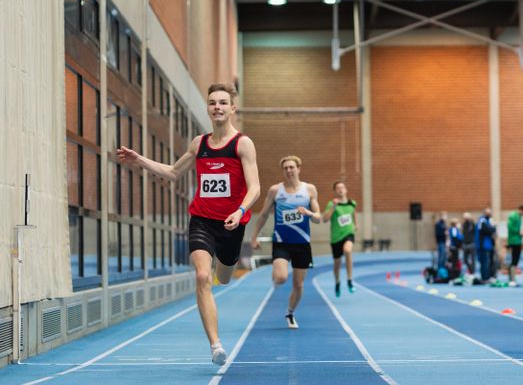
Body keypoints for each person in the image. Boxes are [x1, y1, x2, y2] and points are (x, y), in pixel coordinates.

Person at [117, 83, 260, 366]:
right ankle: (216, 345)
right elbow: (172, 172)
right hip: (202, 221)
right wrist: (139, 160)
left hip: (232, 224)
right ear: (207, 109)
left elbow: (255, 187)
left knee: (225, 275)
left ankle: (224, 266)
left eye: (222, 102)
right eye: (212, 103)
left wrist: (240, 210)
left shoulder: (242, 144)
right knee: (202, 277)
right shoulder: (199, 144)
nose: (217, 107)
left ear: (232, 108)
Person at [251, 156, 321, 329]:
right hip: (282, 242)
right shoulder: (276, 190)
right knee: (281, 278)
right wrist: (254, 236)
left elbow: (318, 218)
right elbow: (264, 214)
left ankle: (290, 312)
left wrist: (309, 213)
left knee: (298, 284)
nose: (289, 170)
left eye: (292, 167)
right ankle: (277, 271)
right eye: (285, 168)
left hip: (302, 243)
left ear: (299, 168)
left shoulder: (309, 190)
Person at [323, 181, 357, 297]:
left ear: (346, 190)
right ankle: (337, 282)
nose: (340, 190)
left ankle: (349, 280)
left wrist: (355, 225)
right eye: (338, 188)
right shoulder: (331, 204)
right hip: (336, 237)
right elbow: (325, 219)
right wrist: (333, 206)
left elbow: (353, 214)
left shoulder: (352, 203)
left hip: (348, 233)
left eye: (342, 187)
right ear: (335, 191)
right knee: (337, 264)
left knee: (347, 250)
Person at [506, 205, 523, 282]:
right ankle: (512, 279)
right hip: (513, 241)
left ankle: (512, 278)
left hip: (518, 240)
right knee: (514, 259)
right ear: (521, 210)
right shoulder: (513, 216)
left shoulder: (519, 217)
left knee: (516, 260)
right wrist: (519, 232)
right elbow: (510, 227)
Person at [475, 208, 496, 282]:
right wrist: (493, 228)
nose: (490, 214)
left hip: (487, 245)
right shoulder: (482, 221)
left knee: (487, 262)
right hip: (483, 245)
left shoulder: (487, 220)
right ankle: (485, 278)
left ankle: (487, 276)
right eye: (488, 213)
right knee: (484, 262)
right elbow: (487, 230)